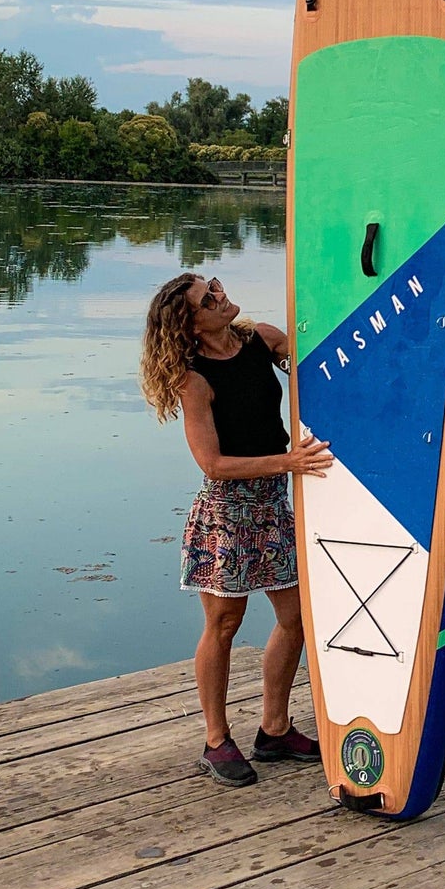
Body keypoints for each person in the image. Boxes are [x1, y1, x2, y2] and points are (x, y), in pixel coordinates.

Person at [140, 272, 334, 787]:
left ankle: (273, 730)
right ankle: (216, 740)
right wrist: (290, 461)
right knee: (224, 626)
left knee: (296, 618)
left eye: (217, 285)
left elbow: (320, 363)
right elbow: (214, 464)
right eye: (210, 298)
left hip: (273, 504)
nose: (222, 296)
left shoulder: (262, 339)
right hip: (227, 513)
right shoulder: (194, 379)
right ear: (191, 323)